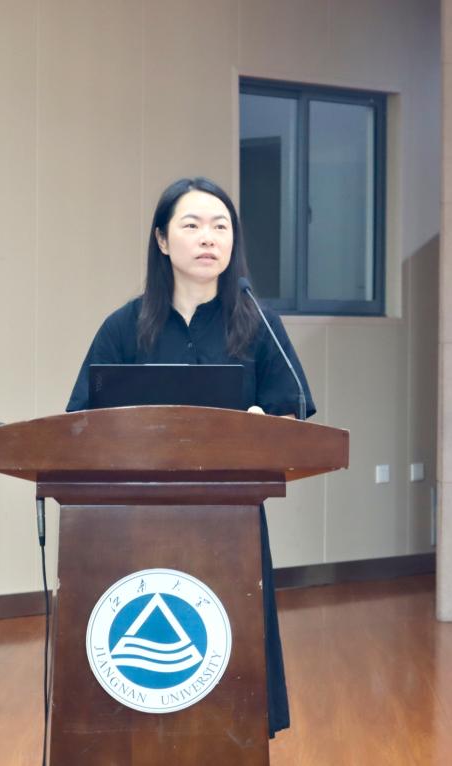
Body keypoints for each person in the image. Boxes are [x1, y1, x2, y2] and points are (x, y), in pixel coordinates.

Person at [66, 176, 315, 738]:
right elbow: (79, 421)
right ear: (162, 240)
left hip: (232, 521)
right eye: (193, 225)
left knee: (231, 657)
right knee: (141, 674)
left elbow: (294, 413)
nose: (209, 238)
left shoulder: (258, 323)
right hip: (130, 525)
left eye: (221, 226)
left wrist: (265, 425)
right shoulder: (124, 326)